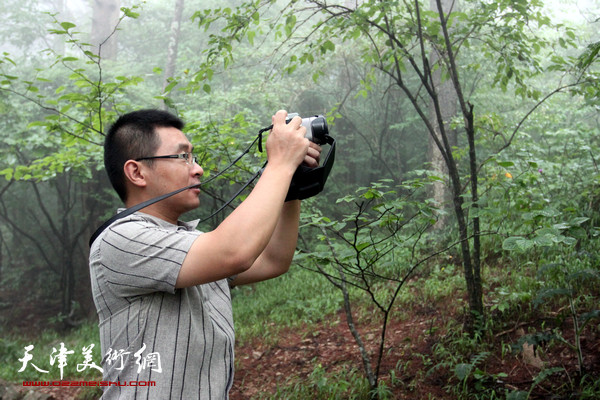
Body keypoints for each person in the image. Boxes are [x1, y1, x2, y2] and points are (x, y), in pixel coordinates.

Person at [89, 109, 321, 399]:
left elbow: (272, 260)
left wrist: (291, 184)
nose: (197, 169)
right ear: (137, 172)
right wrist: (280, 165)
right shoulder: (119, 240)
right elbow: (233, 252)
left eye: (194, 157)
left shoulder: (190, 243)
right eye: (182, 156)